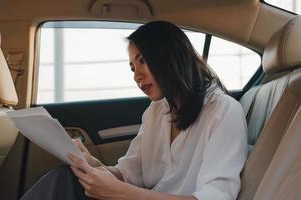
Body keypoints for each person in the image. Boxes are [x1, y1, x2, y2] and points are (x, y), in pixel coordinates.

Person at [21, 21, 248, 200]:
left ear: (170, 57)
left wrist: (119, 193)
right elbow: (127, 174)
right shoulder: (156, 111)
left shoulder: (224, 112)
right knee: (67, 177)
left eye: (143, 61)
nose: (136, 76)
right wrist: (89, 162)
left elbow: (215, 197)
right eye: (132, 67)